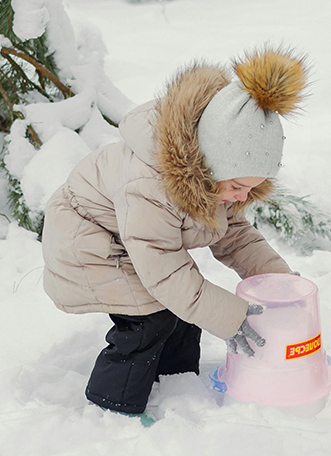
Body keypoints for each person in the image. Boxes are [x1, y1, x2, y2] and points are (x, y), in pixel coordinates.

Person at [40, 47, 308, 422]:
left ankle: (176, 383)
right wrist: (231, 318)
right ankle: (114, 408)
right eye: (237, 187)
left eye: (251, 189)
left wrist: (278, 281)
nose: (241, 197)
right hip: (88, 242)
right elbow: (163, 267)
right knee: (149, 320)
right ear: (211, 164)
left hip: (131, 240)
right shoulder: (150, 185)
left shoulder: (215, 179)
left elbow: (234, 236)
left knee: (184, 310)